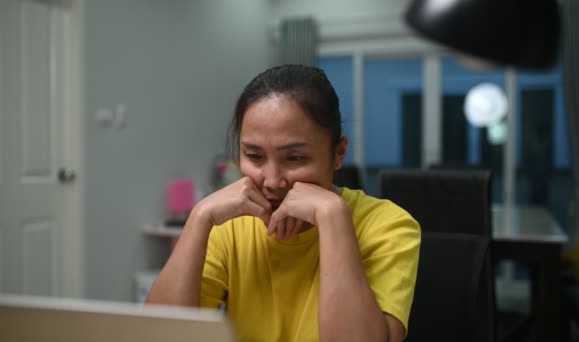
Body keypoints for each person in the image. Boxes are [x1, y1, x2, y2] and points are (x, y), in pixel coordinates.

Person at [146, 64, 421, 342]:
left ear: (338, 154)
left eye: (294, 158)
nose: (272, 181)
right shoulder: (231, 227)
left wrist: (333, 217)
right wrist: (200, 216)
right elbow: (159, 336)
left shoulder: (389, 225)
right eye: (254, 156)